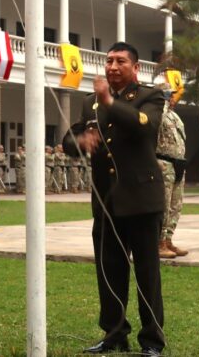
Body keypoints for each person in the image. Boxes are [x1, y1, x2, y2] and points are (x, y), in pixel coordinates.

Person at [63, 41, 166, 356]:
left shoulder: (150, 96)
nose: (112, 66)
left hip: (142, 200)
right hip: (106, 201)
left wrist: (109, 100)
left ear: (135, 68)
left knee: (146, 273)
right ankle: (114, 333)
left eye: (120, 61)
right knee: (109, 271)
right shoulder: (89, 102)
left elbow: (142, 127)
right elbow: (69, 139)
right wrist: (80, 140)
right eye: (108, 61)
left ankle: (152, 340)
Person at [155, 84, 188, 259]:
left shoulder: (174, 116)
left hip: (178, 164)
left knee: (176, 205)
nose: (173, 99)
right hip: (164, 164)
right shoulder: (158, 113)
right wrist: (161, 101)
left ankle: (168, 240)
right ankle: (159, 243)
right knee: (164, 205)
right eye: (170, 95)